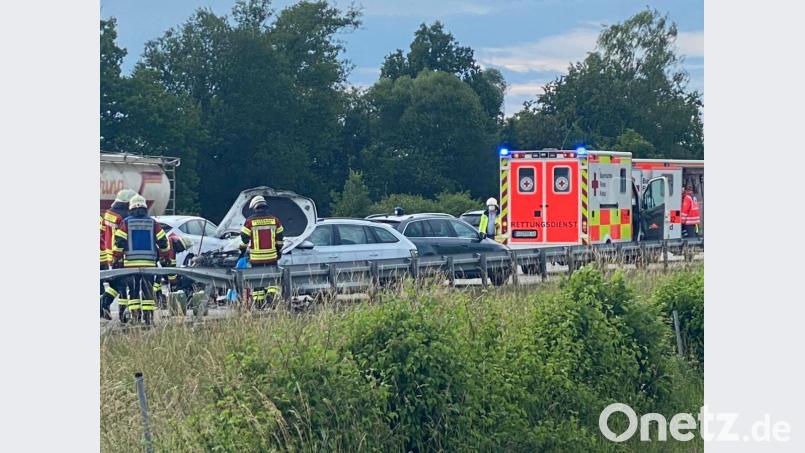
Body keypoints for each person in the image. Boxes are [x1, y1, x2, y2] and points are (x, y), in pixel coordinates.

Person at [112, 195, 170, 325]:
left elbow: (119, 243)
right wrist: (165, 256)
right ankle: (148, 318)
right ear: (145, 208)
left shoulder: (126, 223)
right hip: (149, 264)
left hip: (130, 265)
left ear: (131, 208)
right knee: (147, 291)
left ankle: (135, 318)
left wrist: (115, 258)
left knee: (133, 290)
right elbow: (163, 242)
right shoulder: (153, 223)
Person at [99, 189, 138, 320]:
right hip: (120, 255)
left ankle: (103, 305)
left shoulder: (109, 214)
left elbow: (103, 233)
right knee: (123, 285)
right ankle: (120, 313)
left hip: (109, 253)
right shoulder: (123, 217)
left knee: (116, 283)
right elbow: (123, 237)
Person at [240, 196, 284, 309]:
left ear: (255, 207)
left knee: (257, 280)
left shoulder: (250, 221)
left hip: (256, 258)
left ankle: (259, 304)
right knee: (273, 278)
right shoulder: (275, 220)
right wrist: (278, 250)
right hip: (272, 256)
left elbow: (244, 238)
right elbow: (280, 238)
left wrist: (242, 250)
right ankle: (271, 294)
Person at [161, 235, 195, 316]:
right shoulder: (171, 249)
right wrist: (175, 283)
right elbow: (171, 271)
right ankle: (160, 300)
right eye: (182, 249)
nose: (181, 251)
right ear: (179, 245)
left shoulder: (170, 243)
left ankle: (160, 299)